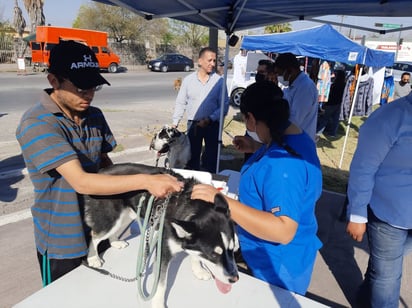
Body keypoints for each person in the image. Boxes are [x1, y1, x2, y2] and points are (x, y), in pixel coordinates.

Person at [15, 41, 183, 285]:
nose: (89, 94)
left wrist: (128, 202)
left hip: (102, 226)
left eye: (93, 86)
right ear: (54, 81)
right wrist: (147, 180)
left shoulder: (94, 115)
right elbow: (81, 182)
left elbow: (108, 167)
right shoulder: (38, 123)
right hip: (64, 239)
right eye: (81, 87)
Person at [191, 82, 323, 295]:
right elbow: (284, 160)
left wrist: (222, 201)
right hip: (282, 257)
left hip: (278, 268)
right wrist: (256, 148)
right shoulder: (296, 138)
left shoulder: (283, 166)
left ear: (251, 118)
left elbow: (283, 230)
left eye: (245, 119)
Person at [346, 91, 412, 307]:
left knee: (381, 267)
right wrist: (357, 213)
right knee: (387, 278)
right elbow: (363, 167)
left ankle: (365, 300)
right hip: (389, 216)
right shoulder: (391, 116)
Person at [172, 47, 229, 173]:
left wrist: (210, 118)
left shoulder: (219, 81)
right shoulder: (188, 81)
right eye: (209, 60)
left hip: (212, 125)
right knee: (192, 158)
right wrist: (175, 122)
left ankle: (210, 183)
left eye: (214, 61)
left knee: (211, 158)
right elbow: (181, 102)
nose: (212, 64)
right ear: (200, 61)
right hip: (194, 125)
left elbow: (224, 105)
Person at [274, 52, 318, 142]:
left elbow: (295, 120)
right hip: (291, 138)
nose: (279, 77)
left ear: (290, 70)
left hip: (300, 140)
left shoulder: (305, 87)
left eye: (280, 74)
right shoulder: (291, 86)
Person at [316, 69, 346, 137]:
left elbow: (329, 95)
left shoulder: (333, 85)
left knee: (325, 118)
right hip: (338, 103)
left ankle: (318, 131)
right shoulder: (344, 85)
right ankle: (332, 133)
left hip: (331, 104)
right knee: (335, 119)